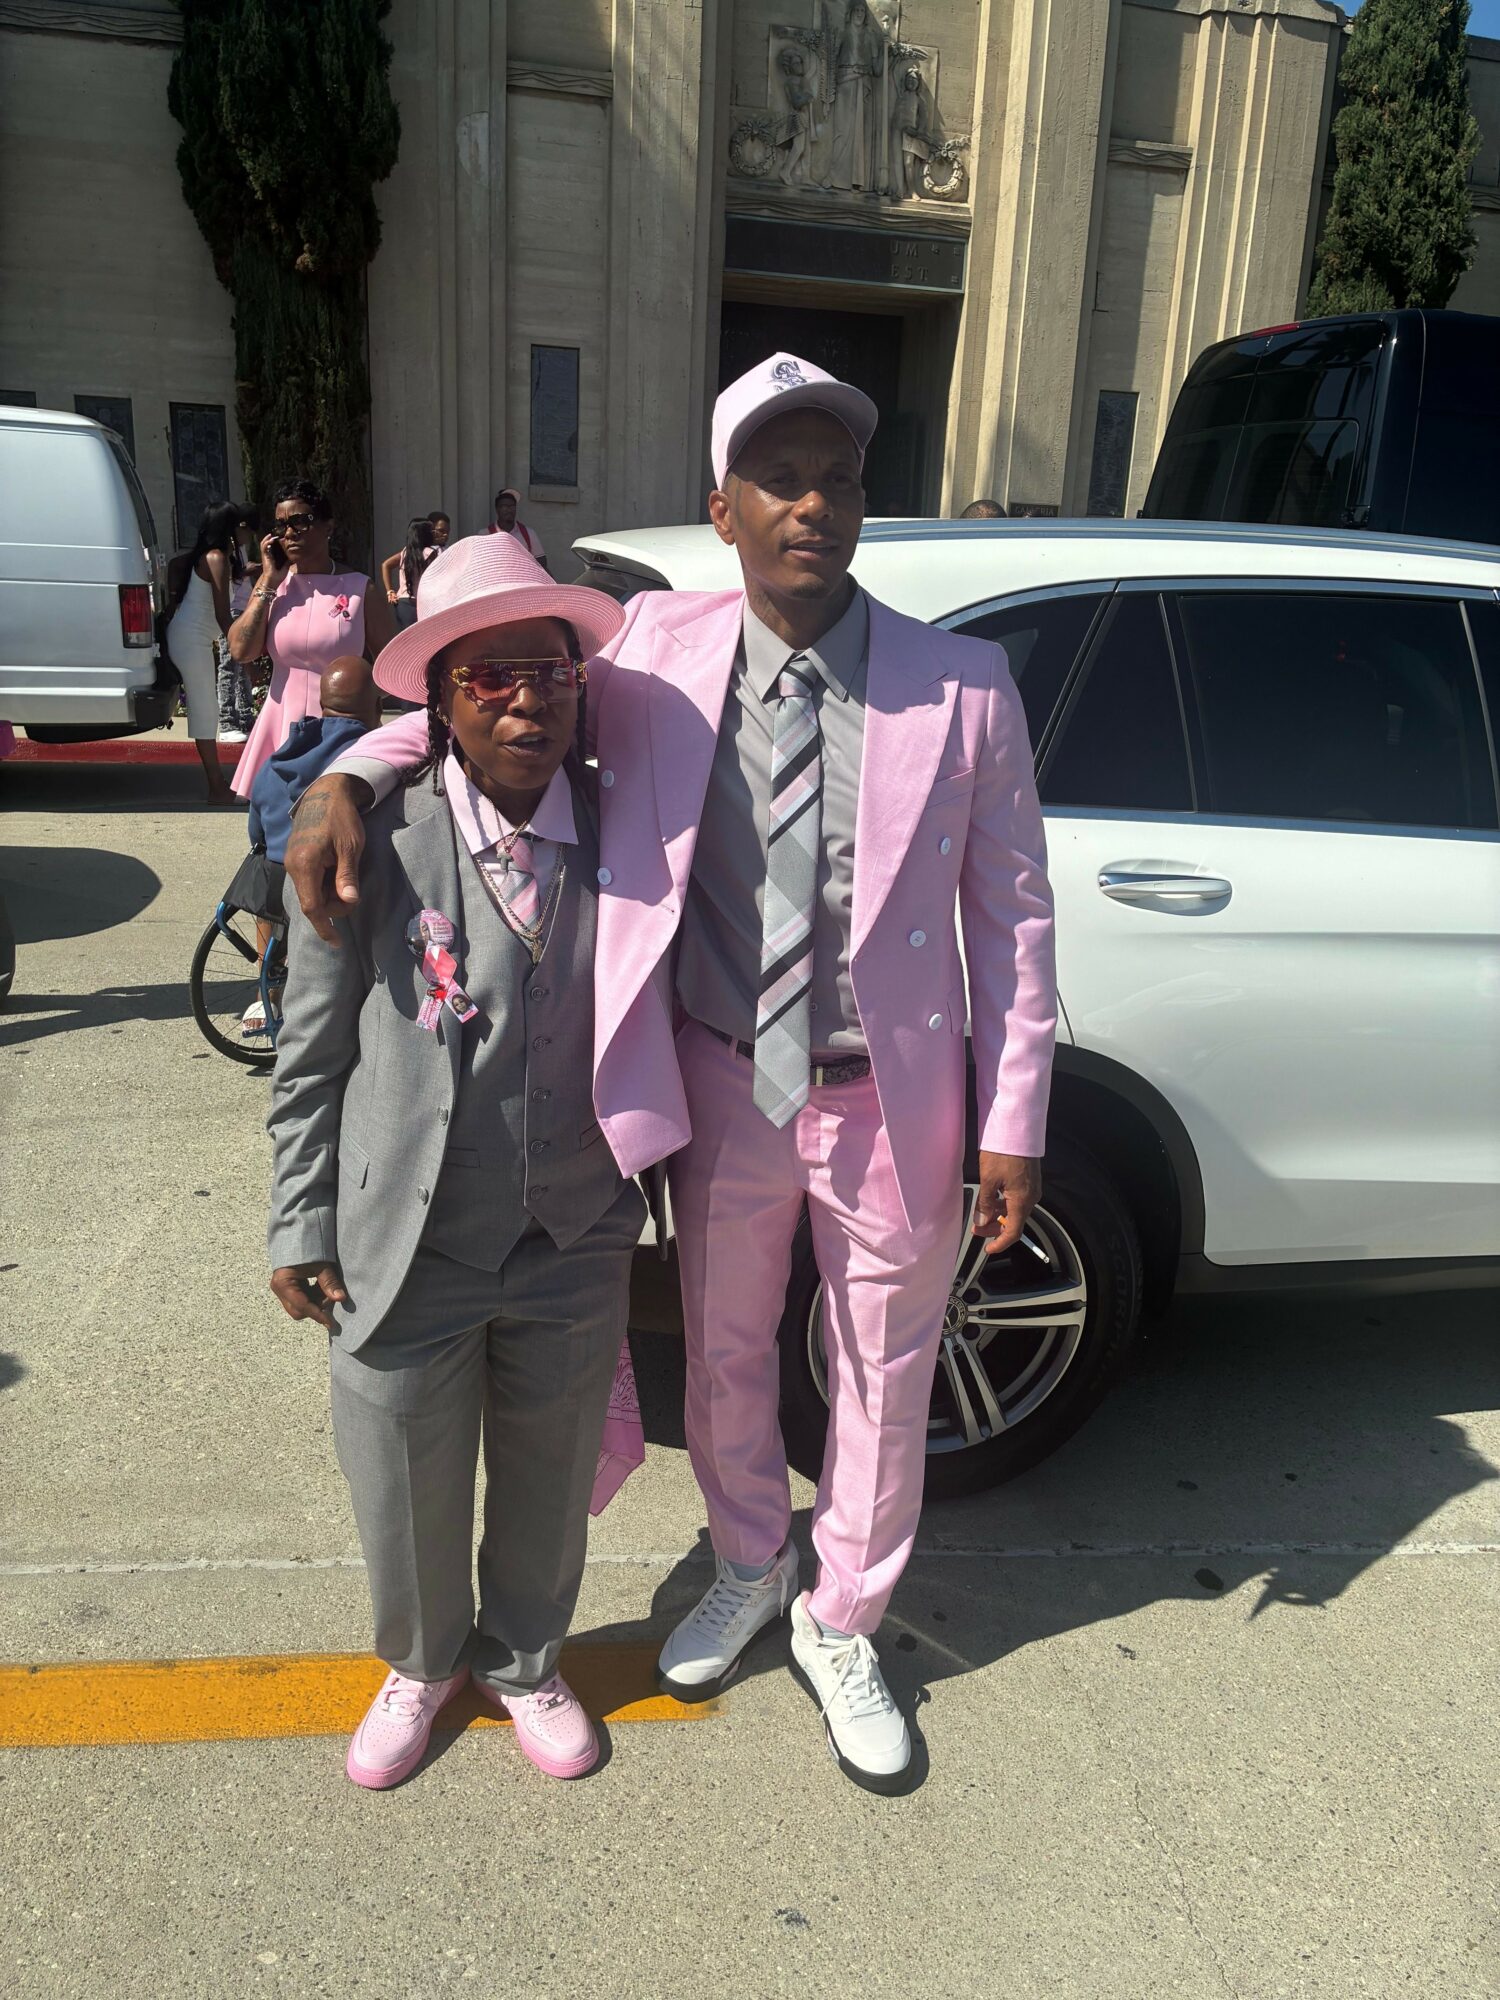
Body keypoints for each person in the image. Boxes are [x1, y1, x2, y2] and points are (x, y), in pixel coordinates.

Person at [287, 353, 1057, 1794]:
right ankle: (752, 1559)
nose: (810, 503)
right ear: (723, 507)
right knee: (724, 1349)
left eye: (836, 478)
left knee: (886, 1373)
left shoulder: (968, 690)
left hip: (888, 1098)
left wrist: (1014, 1120)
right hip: (714, 1081)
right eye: (779, 477)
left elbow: (1014, 919)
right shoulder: (652, 651)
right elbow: (486, 685)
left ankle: (844, 1618)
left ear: (865, 507)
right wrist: (349, 772)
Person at [267, 532, 644, 1791]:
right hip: (407, 1230)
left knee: (545, 1466)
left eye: (550, 668)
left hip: (572, 1224)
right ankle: (424, 1659)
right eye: (489, 677)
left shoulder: (634, 826)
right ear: (440, 701)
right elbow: (310, 1056)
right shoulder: (372, 839)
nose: (528, 696)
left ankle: (526, 1653)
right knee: (404, 1469)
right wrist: (296, 1221)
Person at [227, 478, 394, 801]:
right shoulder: (274, 587)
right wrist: (267, 579)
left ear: (328, 526)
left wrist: (361, 706)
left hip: (338, 733)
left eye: (301, 521)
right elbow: (240, 650)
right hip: (279, 725)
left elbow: (392, 667)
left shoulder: (360, 588)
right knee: (275, 835)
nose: (290, 532)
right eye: (281, 525)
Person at [165, 500, 242, 803]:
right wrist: (243, 653)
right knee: (205, 710)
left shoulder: (212, 556)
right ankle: (217, 788)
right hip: (191, 640)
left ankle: (217, 785)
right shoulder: (216, 557)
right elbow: (224, 616)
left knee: (205, 708)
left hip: (192, 637)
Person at [220, 508, 263, 742]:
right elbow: (230, 574)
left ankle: (246, 717)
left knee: (243, 665)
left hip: (243, 607)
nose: (249, 538)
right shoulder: (227, 547)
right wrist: (251, 570)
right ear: (241, 526)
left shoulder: (241, 547)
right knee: (229, 667)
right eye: (248, 533)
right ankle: (227, 721)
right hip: (232, 608)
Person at [381, 517, 441, 630]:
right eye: (432, 531)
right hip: (422, 603)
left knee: (406, 640)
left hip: (402, 603)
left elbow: (385, 565)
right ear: (425, 534)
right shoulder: (431, 553)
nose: (435, 533)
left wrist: (390, 591)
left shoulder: (405, 552)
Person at [488, 488, 548, 571]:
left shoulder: (529, 534)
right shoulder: (486, 534)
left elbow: (541, 562)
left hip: (523, 580)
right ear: (497, 509)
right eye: (504, 506)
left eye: (512, 506)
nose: (509, 510)